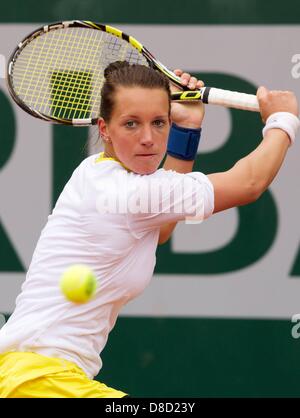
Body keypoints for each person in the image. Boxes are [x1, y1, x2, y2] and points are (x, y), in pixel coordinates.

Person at [0, 61, 298, 398]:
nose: (147, 138)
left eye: (159, 123)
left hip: (32, 378)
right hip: (38, 380)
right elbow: (250, 183)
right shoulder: (127, 193)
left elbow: (162, 228)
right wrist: (283, 120)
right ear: (104, 128)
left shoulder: (94, 172)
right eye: (131, 124)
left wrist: (187, 129)